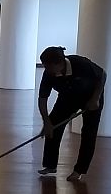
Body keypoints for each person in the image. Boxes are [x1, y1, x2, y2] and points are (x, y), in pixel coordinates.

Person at [37, 46, 106, 182]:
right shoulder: (49, 74)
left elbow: (102, 75)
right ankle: (50, 165)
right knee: (53, 125)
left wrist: (95, 98)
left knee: (88, 133)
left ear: (59, 63)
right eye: (44, 66)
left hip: (91, 98)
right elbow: (42, 98)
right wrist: (47, 122)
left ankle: (79, 170)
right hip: (68, 96)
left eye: (48, 66)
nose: (46, 69)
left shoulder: (81, 64)